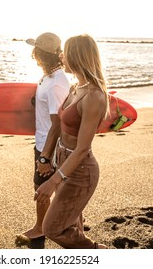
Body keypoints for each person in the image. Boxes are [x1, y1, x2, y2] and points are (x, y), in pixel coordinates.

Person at [35, 34, 109, 249]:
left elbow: (83, 148)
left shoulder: (94, 96)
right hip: (63, 159)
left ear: (77, 56)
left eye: (65, 52)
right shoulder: (76, 88)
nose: (60, 56)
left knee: (52, 228)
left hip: (80, 169)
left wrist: (53, 181)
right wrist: (47, 157)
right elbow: (59, 125)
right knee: (71, 223)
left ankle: (96, 252)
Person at [16, 32, 70, 244]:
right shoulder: (48, 77)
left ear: (39, 54)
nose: (33, 55)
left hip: (49, 146)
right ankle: (64, 222)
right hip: (43, 141)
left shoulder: (56, 82)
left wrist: (45, 157)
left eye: (35, 51)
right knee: (48, 187)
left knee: (42, 188)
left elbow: (58, 124)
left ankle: (41, 228)